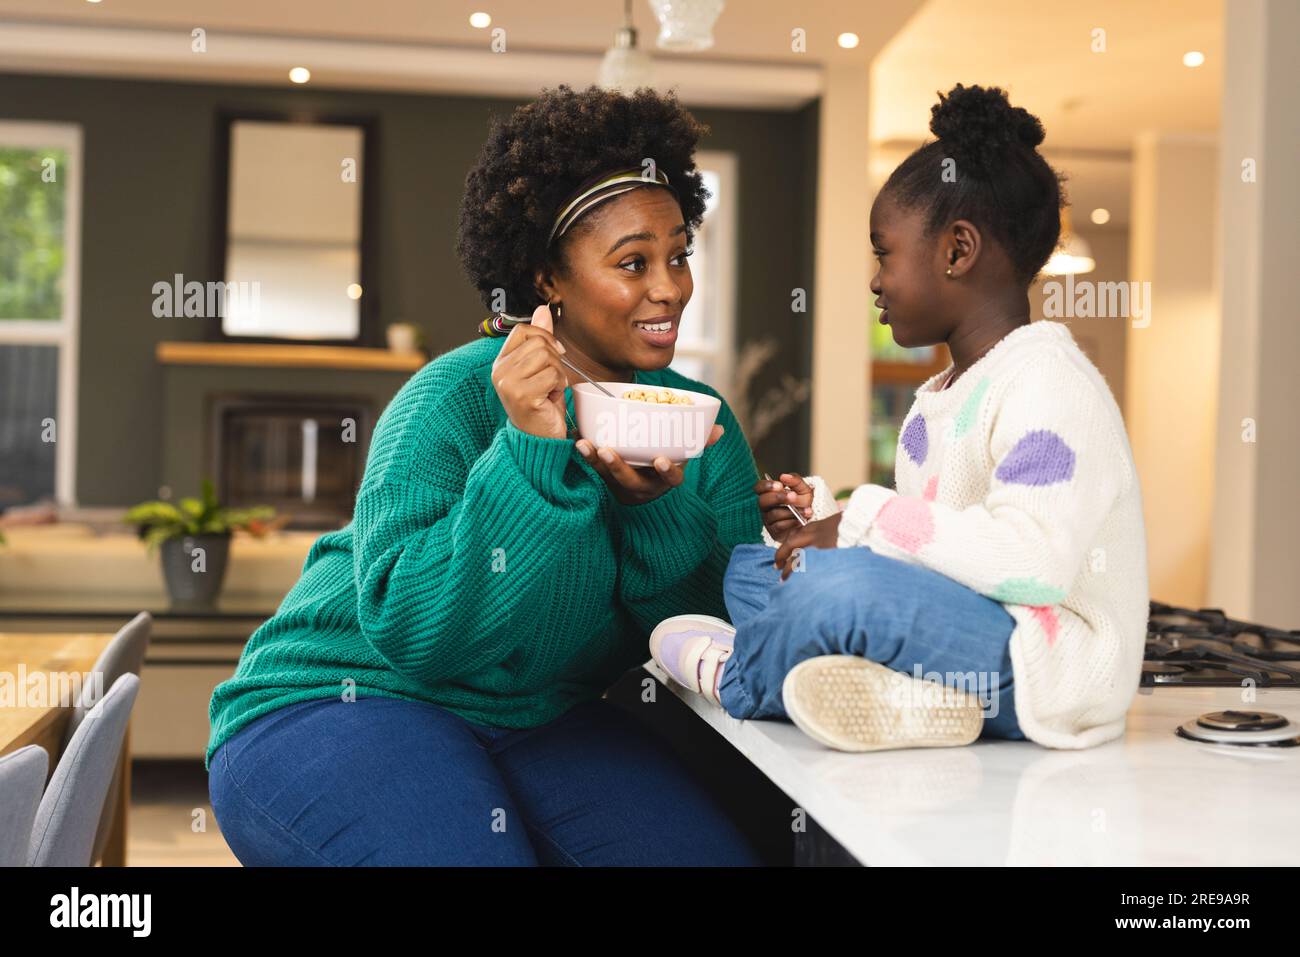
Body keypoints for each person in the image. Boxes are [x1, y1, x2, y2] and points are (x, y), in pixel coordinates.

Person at [207, 85, 765, 865]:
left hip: (540, 718)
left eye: (678, 255)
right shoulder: (452, 397)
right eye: (632, 262)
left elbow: (719, 637)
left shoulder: (702, 424)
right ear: (547, 278)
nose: (669, 286)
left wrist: (653, 509)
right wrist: (531, 455)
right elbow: (420, 634)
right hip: (341, 694)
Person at [649, 84, 1150, 754]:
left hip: (1044, 662)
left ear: (957, 250)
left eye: (884, 253)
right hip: (959, 627)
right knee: (751, 568)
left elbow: (1034, 564)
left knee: (842, 592)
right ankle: (918, 696)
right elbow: (932, 549)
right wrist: (821, 524)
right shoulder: (941, 397)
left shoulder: (1051, 383)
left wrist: (857, 526)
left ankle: (741, 677)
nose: (874, 280)